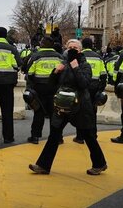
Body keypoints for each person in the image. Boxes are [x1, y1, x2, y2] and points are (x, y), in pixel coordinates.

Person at [29, 39, 107, 175]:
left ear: (80, 50)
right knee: (54, 134)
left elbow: (84, 84)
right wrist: (55, 72)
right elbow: (51, 84)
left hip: (80, 105)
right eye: (69, 47)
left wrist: (75, 67)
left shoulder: (85, 66)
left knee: (88, 135)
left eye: (75, 48)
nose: (72, 50)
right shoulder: (62, 64)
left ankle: (100, 163)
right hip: (62, 103)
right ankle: (43, 165)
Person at [24, 36, 64, 144]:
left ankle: (35, 137)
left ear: (42, 44)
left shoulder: (36, 56)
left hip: (39, 88)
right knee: (55, 114)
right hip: (55, 88)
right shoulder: (59, 57)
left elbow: (30, 73)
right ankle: (57, 137)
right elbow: (64, 73)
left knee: (39, 112)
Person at [73, 37, 107, 144]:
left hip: (82, 87)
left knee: (80, 112)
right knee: (92, 113)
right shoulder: (98, 57)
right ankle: (93, 135)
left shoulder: (79, 56)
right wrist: (100, 89)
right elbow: (103, 75)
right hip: (94, 88)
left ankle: (80, 137)